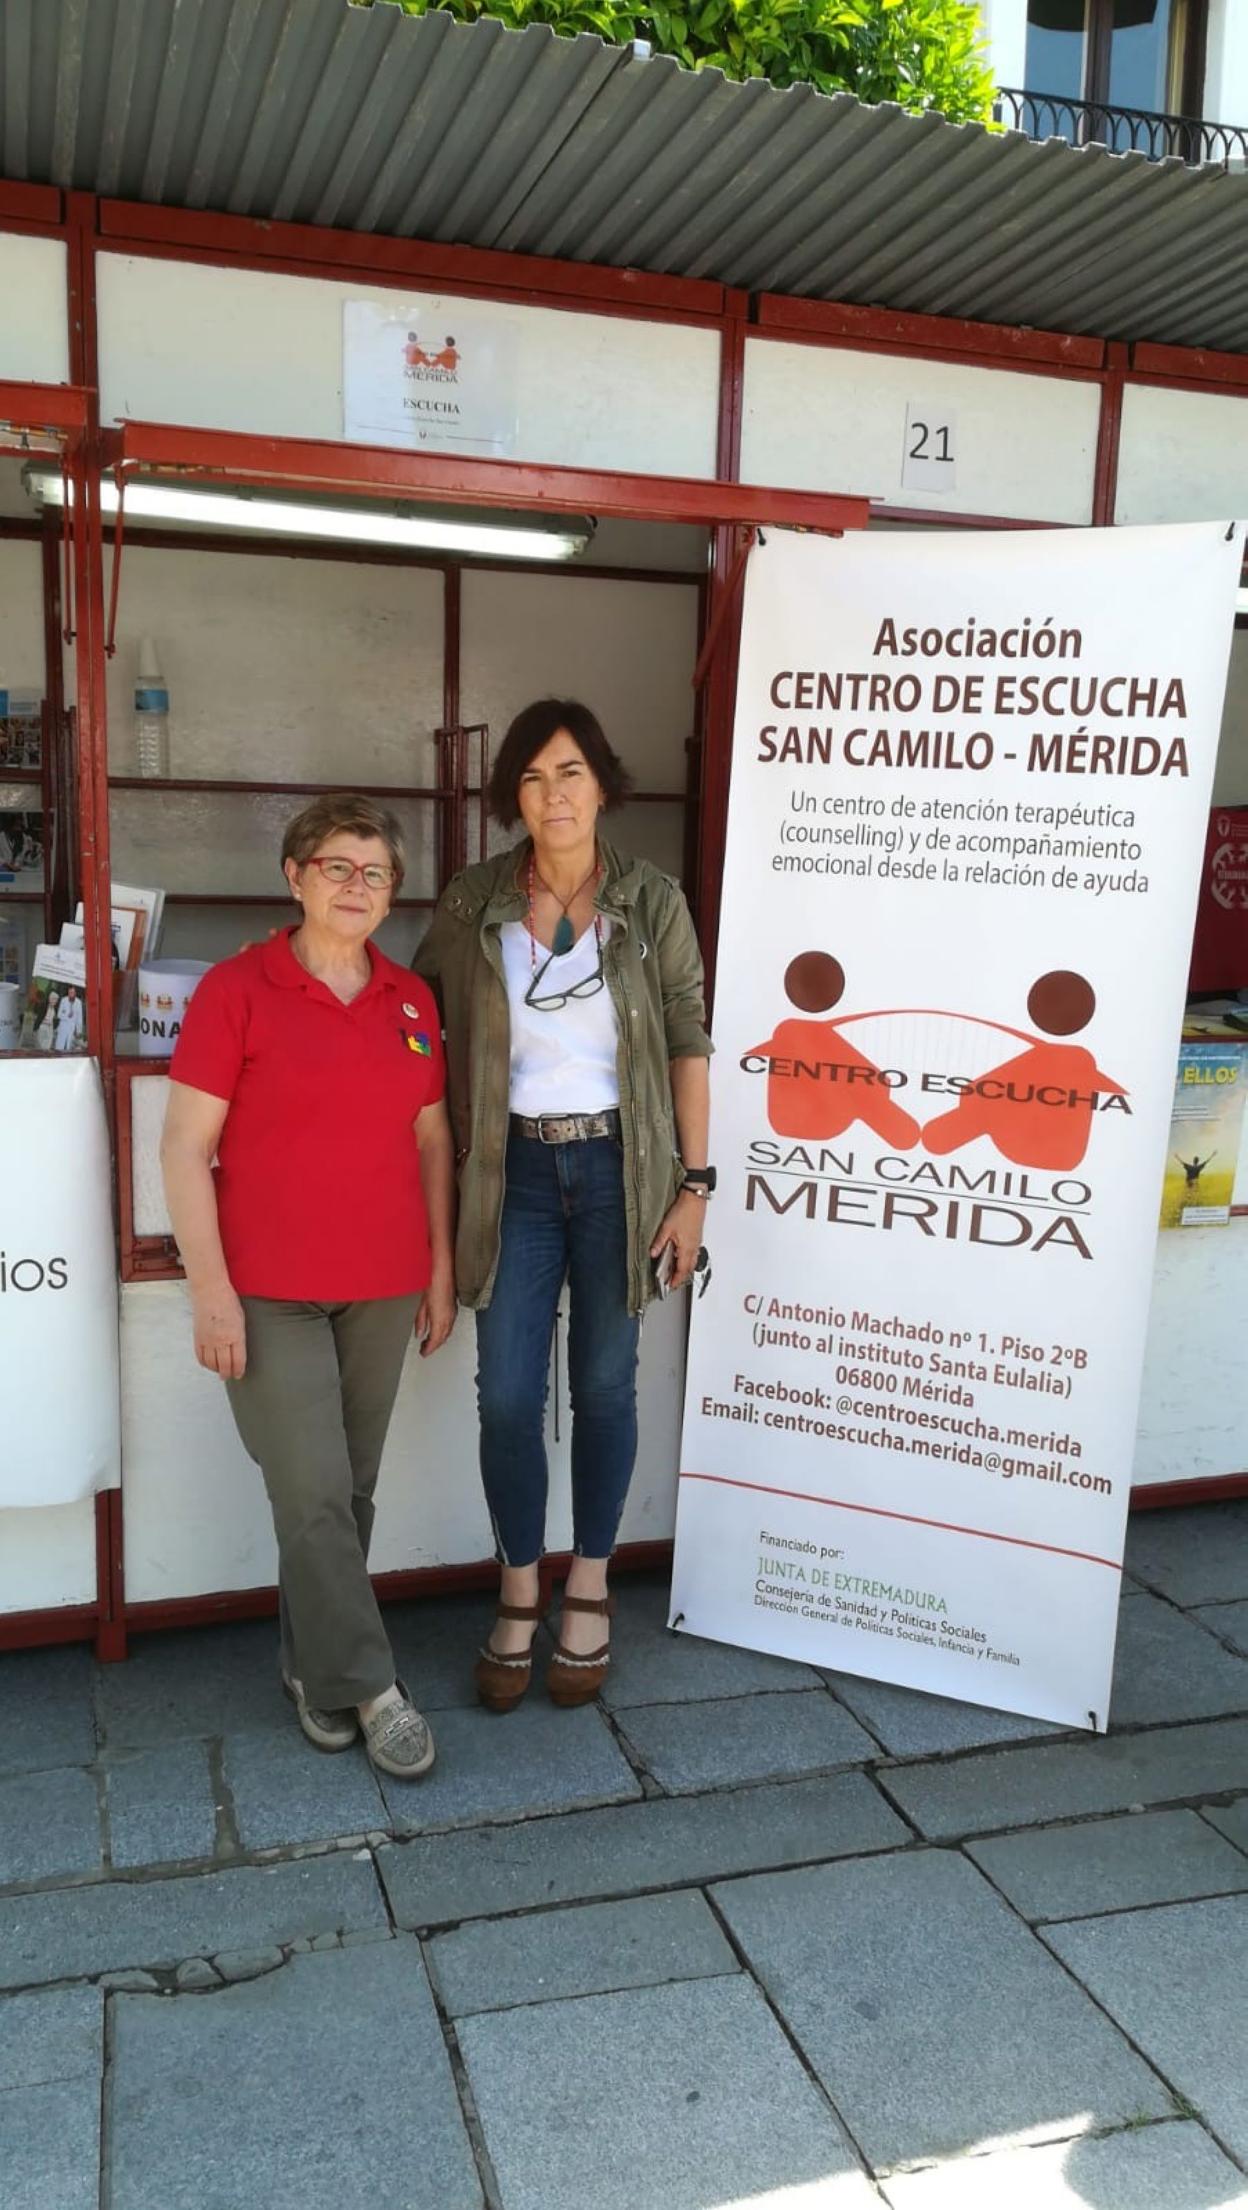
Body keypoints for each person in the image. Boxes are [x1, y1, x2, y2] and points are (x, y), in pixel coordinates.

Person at [415, 697, 713, 1711]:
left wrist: (696, 1187)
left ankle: (589, 1577)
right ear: (514, 796)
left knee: (605, 1385)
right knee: (505, 1391)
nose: (555, 793)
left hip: (622, 1172)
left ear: (603, 784)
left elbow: (686, 1041)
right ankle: (517, 1585)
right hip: (514, 1176)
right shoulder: (471, 902)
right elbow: (412, 1018)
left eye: (572, 771)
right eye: (535, 776)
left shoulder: (651, 900)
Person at [161, 794, 456, 1780]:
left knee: (347, 1491)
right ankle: (374, 1688)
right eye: (337, 866)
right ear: (294, 876)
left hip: (382, 1281)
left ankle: (306, 1665)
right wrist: (211, 1291)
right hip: (269, 1290)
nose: (356, 886)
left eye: (375, 872)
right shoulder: (235, 989)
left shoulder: (412, 1000)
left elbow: (430, 1140)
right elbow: (183, 1145)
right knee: (315, 1488)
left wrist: (441, 1269)